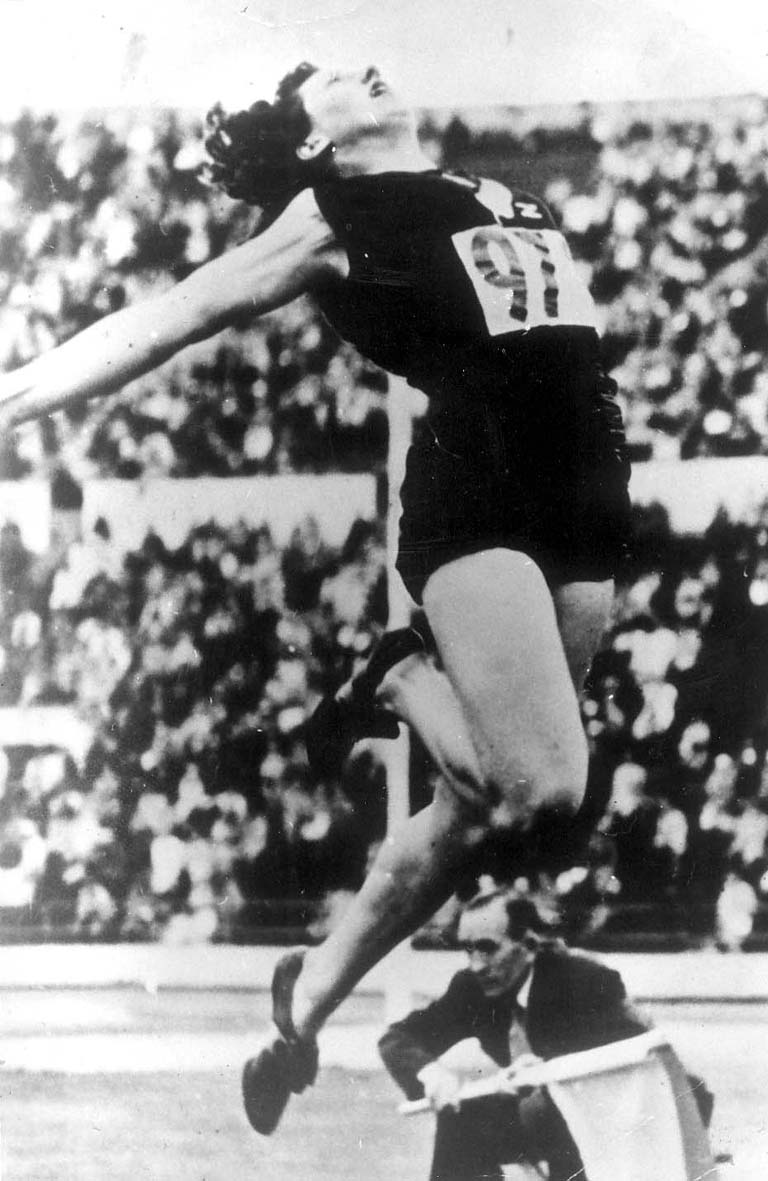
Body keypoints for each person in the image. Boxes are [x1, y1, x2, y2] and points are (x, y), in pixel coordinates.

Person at [0, 63, 633, 1134]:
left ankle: (308, 999)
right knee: (544, 791)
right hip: (478, 495)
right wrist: (14, 398)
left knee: (478, 821)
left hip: (585, 481)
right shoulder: (331, 210)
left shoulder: (482, 187)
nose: (362, 67)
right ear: (317, 143)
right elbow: (173, 316)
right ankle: (401, 677)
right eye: (328, 81)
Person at [379, 890, 713, 1181]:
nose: (476, 964)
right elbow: (397, 1038)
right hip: (541, 1114)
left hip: (607, 1115)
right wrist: (433, 1074)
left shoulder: (586, 980)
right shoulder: (471, 988)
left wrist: (540, 1071)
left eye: (487, 948)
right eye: (467, 950)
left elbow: (646, 1072)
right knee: (461, 1118)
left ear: (528, 944)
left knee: (566, 1132)